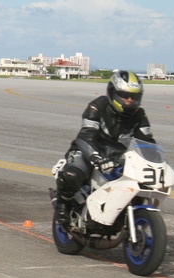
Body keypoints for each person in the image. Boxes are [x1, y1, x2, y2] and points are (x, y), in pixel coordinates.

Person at [53, 70, 156, 226]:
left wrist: (154, 161)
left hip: (117, 157)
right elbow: (86, 135)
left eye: (134, 97)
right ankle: (62, 205)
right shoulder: (97, 107)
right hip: (87, 151)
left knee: (140, 183)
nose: (129, 100)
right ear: (112, 93)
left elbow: (147, 141)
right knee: (72, 174)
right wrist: (96, 157)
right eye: (124, 95)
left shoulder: (139, 115)